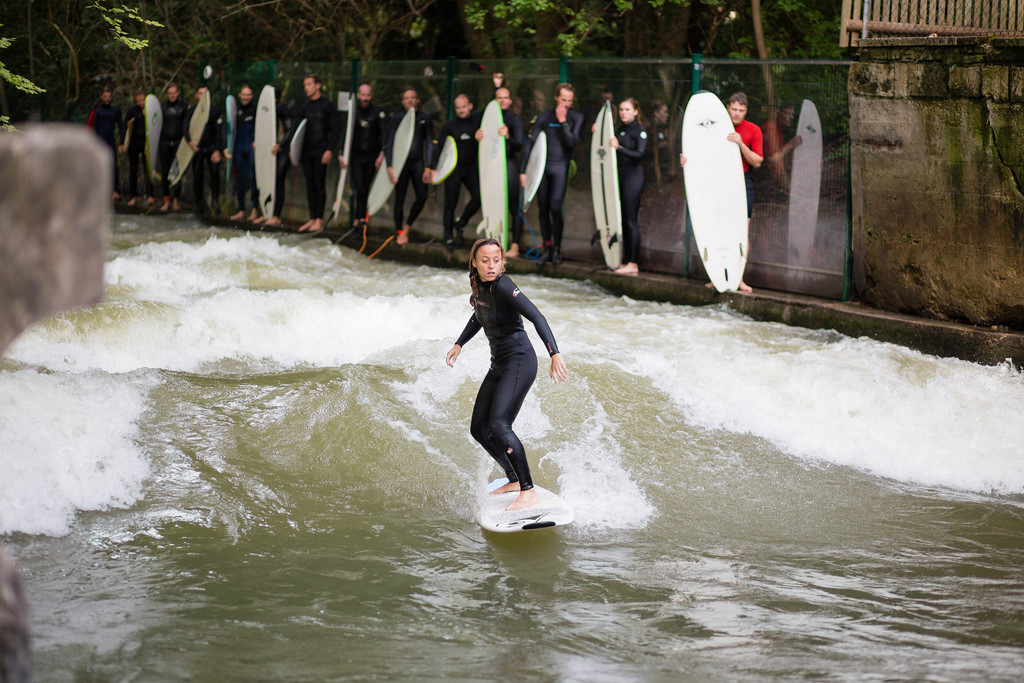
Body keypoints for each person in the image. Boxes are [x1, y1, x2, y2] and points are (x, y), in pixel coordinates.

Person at [445, 238, 568, 511]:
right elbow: (478, 316)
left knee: (500, 425)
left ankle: (528, 490)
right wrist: (459, 343)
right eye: (485, 260)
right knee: (479, 428)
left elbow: (537, 317)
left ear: (503, 262)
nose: (491, 266)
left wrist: (554, 353)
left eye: (496, 260)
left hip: (520, 362)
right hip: (499, 364)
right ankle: (513, 478)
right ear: (475, 263)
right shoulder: (480, 288)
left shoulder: (503, 285)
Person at [680, 91, 762, 293]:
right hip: (715, 182)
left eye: (741, 111)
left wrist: (740, 143)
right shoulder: (711, 127)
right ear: (727, 108)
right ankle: (717, 273)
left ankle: (738, 277)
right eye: (733, 109)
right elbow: (701, 154)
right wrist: (687, 163)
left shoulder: (753, 130)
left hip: (741, 183)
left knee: (741, 230)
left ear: (746, 111)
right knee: (716, 226)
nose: (736, 114)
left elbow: (757, 161)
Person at [519, 83, 584, 264]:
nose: (566, 104)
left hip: (560, 168)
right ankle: (546, 247)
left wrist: (563, 121)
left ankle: (557, 249)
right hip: (542, 169)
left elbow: (572, 142)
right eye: (563, 99)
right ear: (556, 97)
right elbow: (530, 144)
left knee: (556, 207)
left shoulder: (576, 117)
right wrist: (524, 171)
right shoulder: (544, 117)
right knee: (543, 208)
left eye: (570, 101)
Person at [277, 74, 339, 233]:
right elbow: (296, 130)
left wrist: (329, 149)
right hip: (306, 151)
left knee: (319, 184)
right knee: (309, 184)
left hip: (321, 151)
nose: (306, 87)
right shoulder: (304, 107)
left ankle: (319, 219)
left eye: (309, 84)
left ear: (318, 85)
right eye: (305, 85)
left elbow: (335, 130)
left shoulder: (327, 106)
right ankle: (312, 218)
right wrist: (292, 149)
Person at [429, 93, 481, 249]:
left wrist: (497, 85)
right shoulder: (450, 126)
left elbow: (492, 108)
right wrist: (432, 169)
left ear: (470, 106)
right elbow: (439, 148)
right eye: (458, 107)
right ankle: (448, 236)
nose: (461, 110)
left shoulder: (477, 121)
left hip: (471, 168)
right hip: (454, 169)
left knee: (478, 198)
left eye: (464, 106)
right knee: (450, 203)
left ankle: (460, 222)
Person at [477, 86, 525, 256]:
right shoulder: (487, 117)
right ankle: (495, 243)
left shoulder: (514, 119)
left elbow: (519, 145)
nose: (503, 100)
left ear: (510, 101)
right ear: (494, 99)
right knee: (494, 203)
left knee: (513, 206)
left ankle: (515, 246)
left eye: (506, 98)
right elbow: (486, 144)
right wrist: (479, 137)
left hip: (509, 164)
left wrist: (507, 136)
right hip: (492, 166)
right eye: (499, 97)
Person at [385, 86, 432, 245]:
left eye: (413, 97)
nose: (410, 100)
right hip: (401, 165)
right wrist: (390, 165)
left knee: (422, 196)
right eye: (407, 98)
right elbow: (390, 143)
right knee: (399, 199)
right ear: (403, 101)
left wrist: (428, 167)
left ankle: (407, 226)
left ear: (417, 100)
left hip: (418, 163)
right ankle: (399, 231)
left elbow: (429, 144)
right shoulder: (397, 119)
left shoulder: (424, 118)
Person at [338, 83, 387, 229]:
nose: (365, 98)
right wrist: (341, 153)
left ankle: (363, 218)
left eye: (368, 95)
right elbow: (345, 133)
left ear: (371, 96)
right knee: (359, 186)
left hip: (371, 156)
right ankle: (357, 218)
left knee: (366, 187)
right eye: (363, 95)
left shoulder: (377, 112)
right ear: (358, 96)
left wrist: (381, 154)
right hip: (356, 156)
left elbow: (383, 134)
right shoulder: (353, 112)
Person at [610, 98, 647, 275]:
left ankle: (633, 262)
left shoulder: (639, 130)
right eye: (622, 109)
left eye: (627, 109)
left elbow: (639, 154)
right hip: (621, 177)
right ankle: (625, 260)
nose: (623, 112)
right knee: (623, 219)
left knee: (631, 220)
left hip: (633, 178)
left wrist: (619, 148)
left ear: (635, 111)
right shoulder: (620, 130)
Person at [256, 87, 294, 228]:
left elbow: (289, 130)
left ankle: (276, 215)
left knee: (278, 181)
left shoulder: (282, 109)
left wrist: (280, 144)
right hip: (267, 152)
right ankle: (266, 212)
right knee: (265, 179)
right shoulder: (265, 109)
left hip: (281, 152)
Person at [185, 85, 223, 215]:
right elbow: (185, 128)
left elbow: (219, 132)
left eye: (205, 94)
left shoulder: (214, 111)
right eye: (200, 93)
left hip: (211, 148)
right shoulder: (191, 111)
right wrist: (190, 141)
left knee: (214, 174)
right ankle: (199, 203)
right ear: (196, 95)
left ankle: (215, 202)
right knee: (198, 176)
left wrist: (217, 150)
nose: (203, 96)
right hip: (197, 148)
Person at [225, 84, 260, 222]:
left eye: (248, 95)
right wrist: (227, 147)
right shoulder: (235, 109)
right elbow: (229, 129)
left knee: (253, 178)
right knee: (240, 179)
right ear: (239, 95)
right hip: (239, 146)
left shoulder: (256, 108)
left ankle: (254, 209)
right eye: (243, 94)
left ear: (251, 96)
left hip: (251, 146)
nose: (245, 97)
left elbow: (262, 126)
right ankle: (241, 210)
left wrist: (258, 141)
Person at [87, 87, 123, 201]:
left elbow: (121, 126)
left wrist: (121, 141)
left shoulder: (115, 111)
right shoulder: (96, 109)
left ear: (111, 97)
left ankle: (114, 190)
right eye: (105, 96)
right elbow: (89, 125)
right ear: (101, 97)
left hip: (110, 141)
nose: (107, 98)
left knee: (113, 166)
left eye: (109, 96)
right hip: (98, 142)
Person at [158, 83, 188, 211]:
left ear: (178, 93)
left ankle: (176, 200)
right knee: (165, 172)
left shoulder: (184, 107)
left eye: (174, 93)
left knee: (177, 173)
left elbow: (187, 125)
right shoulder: (162, 107)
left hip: (178, 143)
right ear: (167, 94)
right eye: (170, 93)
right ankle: (166, 199)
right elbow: (155, 125)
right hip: (164, 142)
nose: (172, 95)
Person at [761, 103, 802, 192]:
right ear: (778, 114)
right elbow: (772, 160)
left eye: (792, 114)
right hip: (768, 184)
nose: (791, 117)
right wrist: (790, 145)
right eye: (787, 114)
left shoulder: (778, 129)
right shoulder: (770, 128)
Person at [119, 91, 149, 206]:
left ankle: (150, 195)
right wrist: (122, 143)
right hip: (134, 143)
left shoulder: (150, 111)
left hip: (146, 143)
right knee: (133, 169)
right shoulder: (132, 111)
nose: (141, 102)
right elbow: (125, 127)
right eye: (139, 100)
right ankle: (133, 196)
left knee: (148, 168)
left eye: (143, 100)